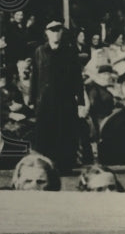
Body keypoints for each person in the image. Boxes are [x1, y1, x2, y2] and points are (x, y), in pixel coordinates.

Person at [29, 18, 86, 174]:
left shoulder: (70, 52)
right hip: (45, 101)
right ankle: (46, 166)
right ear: (46, 33)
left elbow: (77, 78)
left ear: (62, 33)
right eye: (52, 31)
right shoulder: (40, 51)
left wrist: (80, 101)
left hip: (65, 101)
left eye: (58, 30)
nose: (55, 34)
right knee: (45, 133)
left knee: (65, 132)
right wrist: (32, 99)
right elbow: (35, 76)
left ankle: (65, 165)